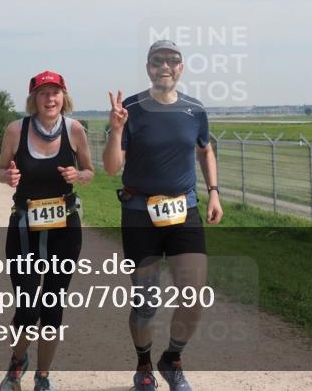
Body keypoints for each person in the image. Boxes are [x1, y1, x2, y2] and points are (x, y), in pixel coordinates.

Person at [104, 40, 223, 391]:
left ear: (182, 68)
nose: (165, 67)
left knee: (195, 295)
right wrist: (116, 130)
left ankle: (172, 360)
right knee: (146, 302)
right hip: (140, 213)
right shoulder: (130, 108)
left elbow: (206, 150)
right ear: (148, 68)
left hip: (184, 210)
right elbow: (112, 168)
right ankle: (143, 364)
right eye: (158, 61)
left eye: (172, 61)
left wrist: (214, 192)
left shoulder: (195, 110)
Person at [0, 71, 94, 391]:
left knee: (52, 304)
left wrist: (77, 176)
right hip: (24, 227)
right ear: (33, 99)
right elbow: (1, 168)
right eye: (43, 93)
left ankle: (42, 375)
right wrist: (6, 177)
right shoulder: (16, 130)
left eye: (55, 92)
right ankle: (17, 361)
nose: (50, 99)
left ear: (64, 96)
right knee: (27, 304)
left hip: (65, 228)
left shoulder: (75, 129)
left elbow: (91, 172)